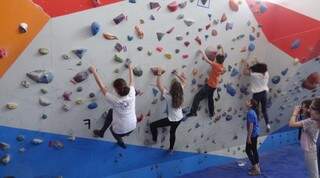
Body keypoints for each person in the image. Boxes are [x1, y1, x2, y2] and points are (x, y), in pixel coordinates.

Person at [89, 64, 136, 149]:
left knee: (113, 130)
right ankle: (102, 132)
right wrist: (130, 68)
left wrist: (94, 71)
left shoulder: (114, 100)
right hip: (133, 125)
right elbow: (132, 81)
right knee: (111, 111)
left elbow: (101, 86)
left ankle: (120, 141)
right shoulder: (132, 92)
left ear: (116, 90)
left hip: (121, 129)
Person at [150, 68, 186, 153]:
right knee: (172, 132)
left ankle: (154, 139)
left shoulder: (168, 96)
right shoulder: (180, 92)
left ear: (172, 88)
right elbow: (184, 82)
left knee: (152, 125)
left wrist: (159, 74)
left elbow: (159, 85)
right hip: (179, 118)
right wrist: (177, 74)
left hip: (172, 119)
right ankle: (171, 149)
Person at [186, 45, 225, 119]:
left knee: (197, 97)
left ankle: (193, 112)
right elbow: (223, 55)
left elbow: (207, 60)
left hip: (209, 86)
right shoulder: (221, 65)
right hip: (214, 86)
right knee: (210, 99)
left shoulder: (216, 65)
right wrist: (221, 48)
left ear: (216, 60)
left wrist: (202, 52)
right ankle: (212, 113)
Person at [289, 98, 320, 178]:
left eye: (311, 108)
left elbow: (292, 124)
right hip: (311, 149)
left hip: (311, 150)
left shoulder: (310, 122)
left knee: (314, 175)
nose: (309, 110)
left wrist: (295, 113)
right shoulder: (311, 120)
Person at [242, 61, 271, 132]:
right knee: (264, 110)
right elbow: (262, 68)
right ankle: (267, 124)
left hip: (256, 95)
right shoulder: (267, 74)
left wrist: (247, 67)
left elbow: (244, 72)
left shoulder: (255, 75)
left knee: (256, 111)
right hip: (264, 94)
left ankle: (256, 125)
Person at [245, 99, 261, 176]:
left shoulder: (250, 113)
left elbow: (251, 126)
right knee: (254, 150)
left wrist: (249, 137)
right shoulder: (253, 111)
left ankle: (257, 170)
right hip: (256, 133)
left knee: (248, 150)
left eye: (248, 101)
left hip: (253, 134)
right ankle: (257, 166)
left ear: (251, 105)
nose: (246, 102)